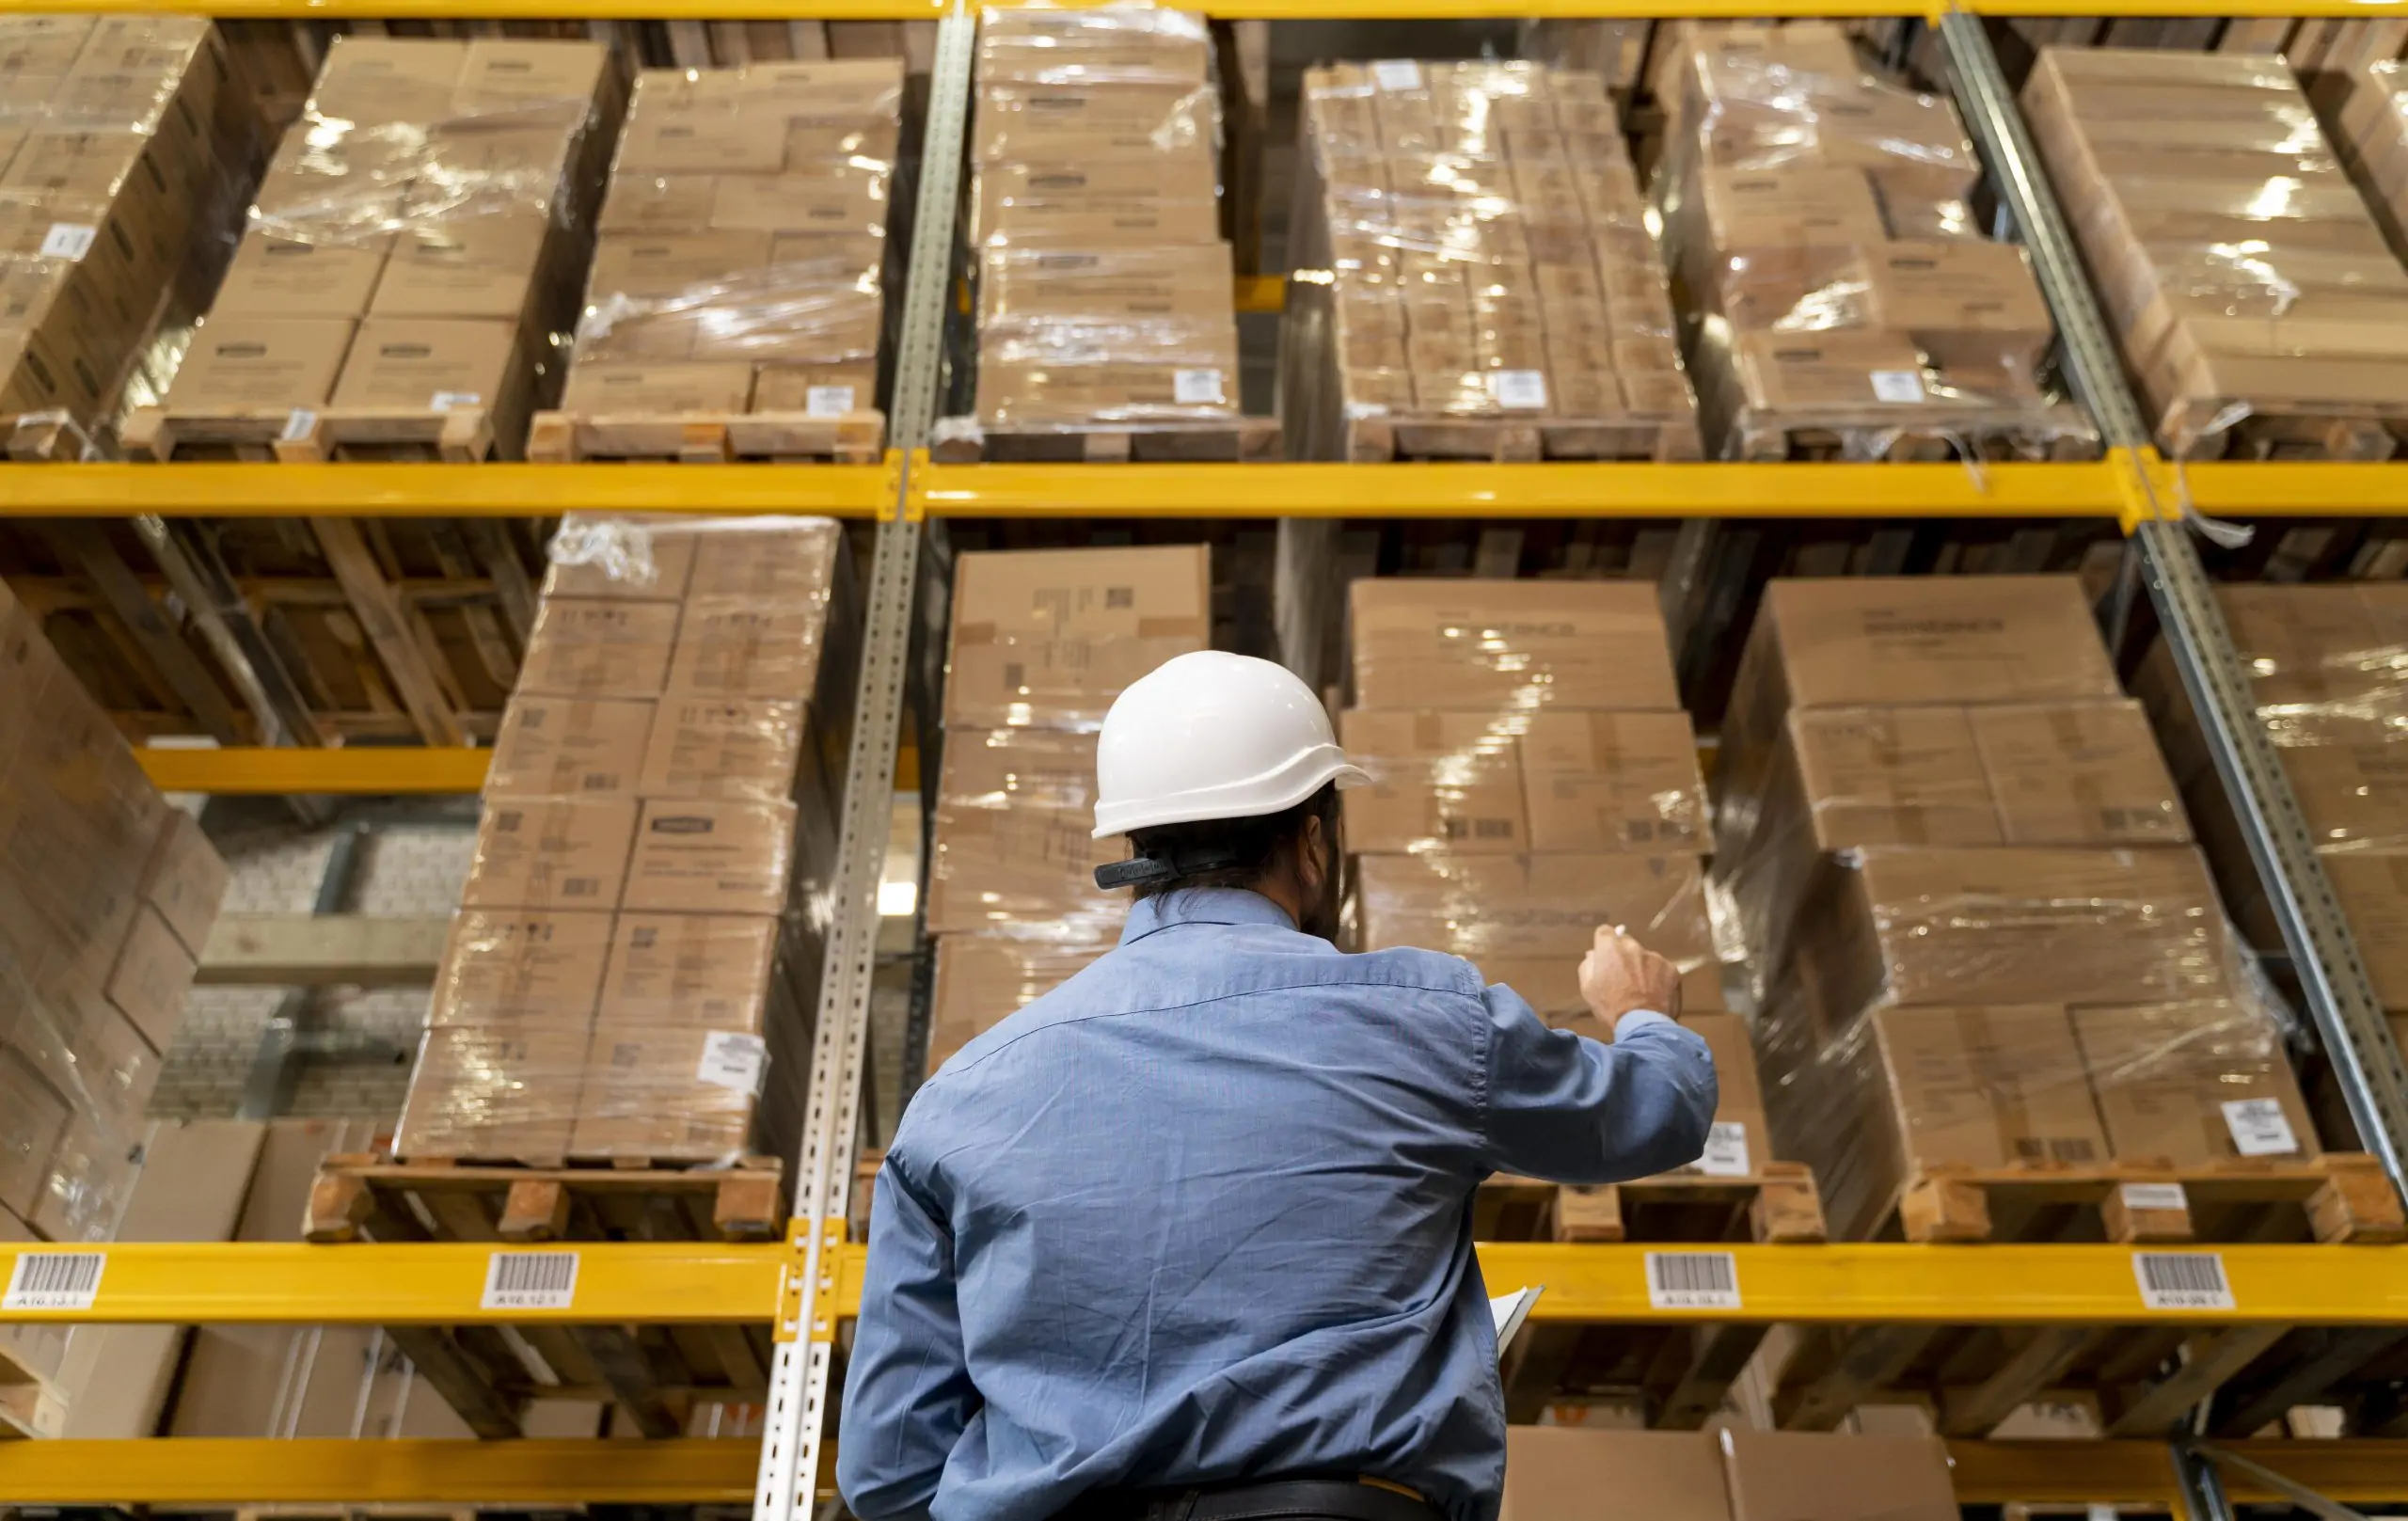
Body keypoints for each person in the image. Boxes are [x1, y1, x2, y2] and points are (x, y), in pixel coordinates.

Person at [840, 650, 1719, 1521]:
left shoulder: (958, 1102)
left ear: (1136, 848)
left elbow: (890, 1469)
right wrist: (1642, 1010)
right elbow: (1652, 1113)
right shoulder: (1426, 1020)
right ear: (1311, 841)